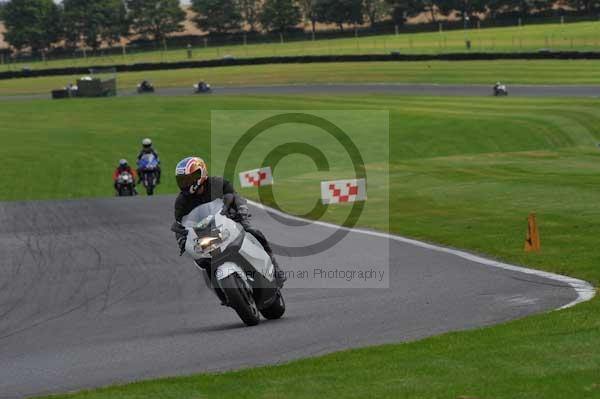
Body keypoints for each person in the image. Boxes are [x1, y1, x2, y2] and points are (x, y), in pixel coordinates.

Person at [170, 157, 286, 288]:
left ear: (200, 174)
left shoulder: (216, 183)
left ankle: (275, 269)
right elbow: (180, 224)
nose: (185, 183)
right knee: (201, 260)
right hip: (205, 233)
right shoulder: (181, 201)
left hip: (230, 219)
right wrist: (181, 239)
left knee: (254, 231)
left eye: (188, 179)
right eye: (182, 180)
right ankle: (220, 289)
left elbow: (234, 195)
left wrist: (241, 210)